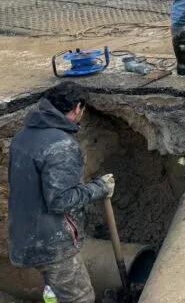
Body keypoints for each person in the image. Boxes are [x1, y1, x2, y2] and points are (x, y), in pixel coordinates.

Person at [7, 82, 115, 303]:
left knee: (56, 293)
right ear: (77, 107)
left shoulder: (23, 136)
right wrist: (99, 188)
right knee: (80, 298)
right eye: (82, 110)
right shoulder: (61, 146)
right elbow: (60, 201)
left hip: (23, 233)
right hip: (51, 242)